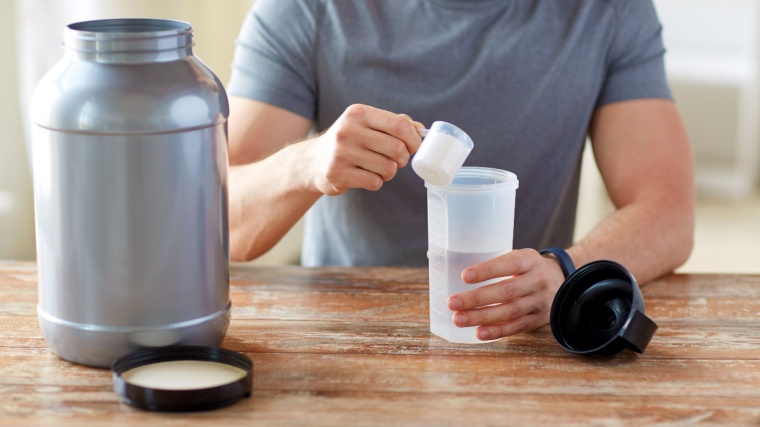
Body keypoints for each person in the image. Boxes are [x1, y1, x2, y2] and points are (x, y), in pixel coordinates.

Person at [225, 0, 695, 341]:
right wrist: (306, 162)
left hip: (516, 339)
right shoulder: (304, 11)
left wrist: (566, 271)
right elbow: (224, 223)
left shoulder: (608, 12)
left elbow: (669, 213)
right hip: (343, 335)